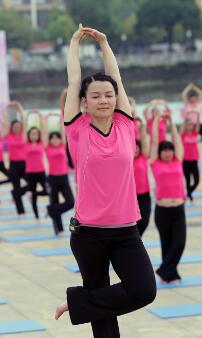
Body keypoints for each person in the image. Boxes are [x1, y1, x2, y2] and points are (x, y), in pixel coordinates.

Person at [54, 25, 156, 338]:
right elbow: (74, 79)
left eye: (108, 95)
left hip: (126, 230)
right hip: (89, 234)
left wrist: (105, 44)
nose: (104, 100)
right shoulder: (77, 130)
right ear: (83, 102)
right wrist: (74, 43)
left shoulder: (125, 124)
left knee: (143, 289)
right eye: (95, 96)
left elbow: (117, 76)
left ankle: (78, 301)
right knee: (104, 319)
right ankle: (85, 302)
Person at [149, 107, 186, 284]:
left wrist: (171, 122)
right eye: (165, 150)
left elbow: (177, 141)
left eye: (170, 150)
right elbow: (155, 141)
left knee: (179, 243)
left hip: (178, 208)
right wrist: (157, 120)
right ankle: (171, 274)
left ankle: (164, 270)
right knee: (167, 243)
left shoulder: (178, 160)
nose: (168, 152)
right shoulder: (155, 162)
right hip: (162, 210)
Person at [45, 113, 74, 235]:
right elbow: (44, 134)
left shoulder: (63, 146)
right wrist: (45, 119)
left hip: (64, 178)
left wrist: (61, 118)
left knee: (70, 202)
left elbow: (63, 130)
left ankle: (50, 210)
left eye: (58, 138)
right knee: (55, 201)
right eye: (53, 138)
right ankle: (59, 229)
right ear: (50, 139)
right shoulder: (47, 147)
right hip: (52, 179)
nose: (55, 140)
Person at [3, 101, 28, 215]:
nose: (17, 128)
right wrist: (6, 109)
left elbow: (23, 118)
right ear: (12, 128)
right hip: (13, 165)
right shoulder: (9, 135)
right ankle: (20, 211)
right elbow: (6, 122)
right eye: (15, 126)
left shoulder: (24, 134)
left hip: (24, 164)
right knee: (16, 185)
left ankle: (15, 193)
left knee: (31, 183)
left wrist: (19, 106)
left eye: (19, 126)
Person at [23, 110, 48, 219]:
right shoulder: (26, 143)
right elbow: (24, 128)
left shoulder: (41, 143)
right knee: (33, 199)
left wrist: (40, 116)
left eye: (36, 133)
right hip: (30, 173)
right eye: (32, 133)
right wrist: (28, 115)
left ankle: (34, 194)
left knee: (48, 191)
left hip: (41, 172)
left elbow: (43, 131)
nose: (34, 135)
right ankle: (36, 216)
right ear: (29, 134)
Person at [133, 117, 151, 236]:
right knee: (132, 224)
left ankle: (135, 241)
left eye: (136, 147)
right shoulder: (124, 161)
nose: (134, 150)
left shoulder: (143, 158)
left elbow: (144, 140)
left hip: (144, 196)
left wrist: (143, 125)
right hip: (130, 197)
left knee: (144, 222)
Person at [181, 114, 201, 202]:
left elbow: (198, 125)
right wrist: (187, 116)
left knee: (197, 180)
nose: (190, 126)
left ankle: (188, 193)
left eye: (191, 124)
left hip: (194, 160)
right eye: (188, 124)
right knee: (188, 180)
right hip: (185, 160)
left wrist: (197, 114)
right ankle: (189, 195)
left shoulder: (195, 133)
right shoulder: (183, 134)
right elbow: (183, 127)